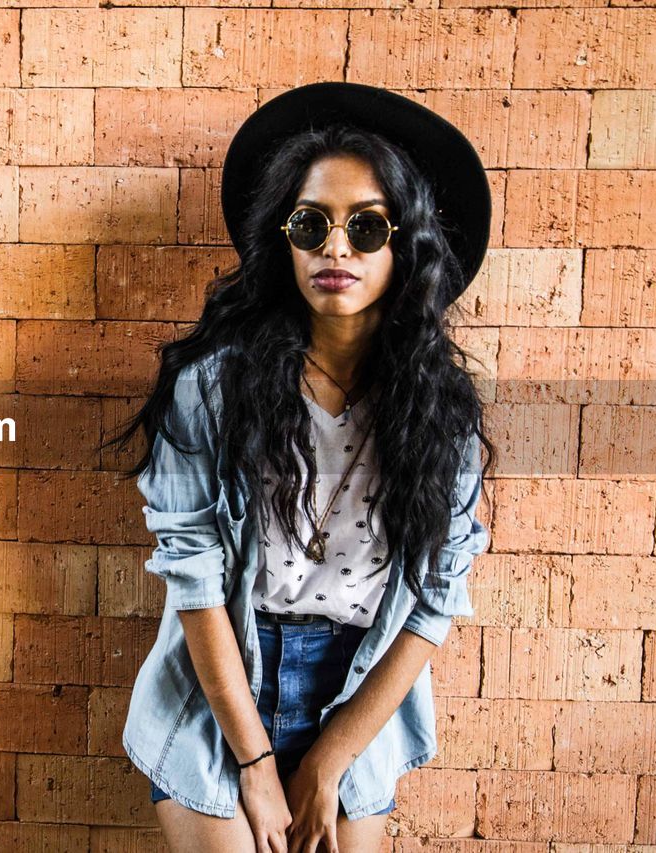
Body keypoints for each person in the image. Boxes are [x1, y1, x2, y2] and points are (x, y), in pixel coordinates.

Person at [103, 82, 495, 853]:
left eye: (368, 226)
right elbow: (196, 576)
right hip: (220, 689)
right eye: (311, 223)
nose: (336, 247)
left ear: (405, 240)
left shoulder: (441, 412)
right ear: (284, 238)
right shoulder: (212, 385)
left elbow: (436, 597)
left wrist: (332, 757)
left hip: (359, 688)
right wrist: (253, 760)